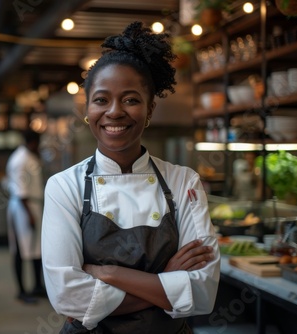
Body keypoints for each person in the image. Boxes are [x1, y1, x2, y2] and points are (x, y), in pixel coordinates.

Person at [41, 22, 220, 333]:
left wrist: (108, 274)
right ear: (88, 109)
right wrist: (165, 280)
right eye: (101, 100)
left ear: (150, 109)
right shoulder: (63, 186)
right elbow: (68, 298)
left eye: (131, 99)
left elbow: (203, 292)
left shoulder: (183, 181)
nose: (114, 112)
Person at [6, 129, 46, 303]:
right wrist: (29, 214)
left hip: (33, 205)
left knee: (37, 249)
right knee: (20, 250)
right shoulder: (20, 160)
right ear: (33, 142)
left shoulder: (30, 156)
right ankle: (21, 291)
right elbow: (20, 191)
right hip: (23, 207)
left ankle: (37, 286)